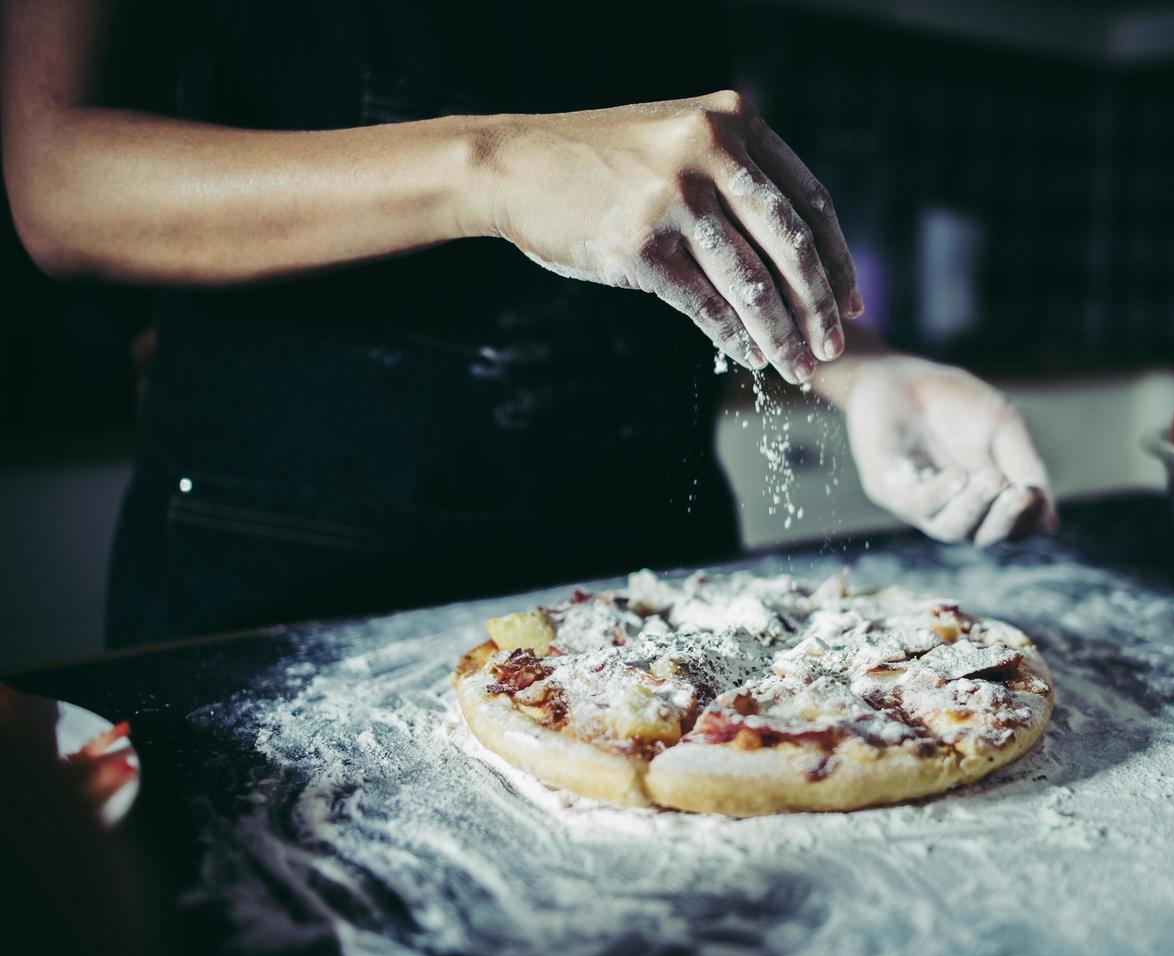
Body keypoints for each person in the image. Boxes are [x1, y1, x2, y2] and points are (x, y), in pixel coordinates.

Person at [2, 1, 1056, 646]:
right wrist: (494, 168)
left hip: (654, 582)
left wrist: (856, 371)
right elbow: (58, 181)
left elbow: (664, 224)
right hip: (287, 582)